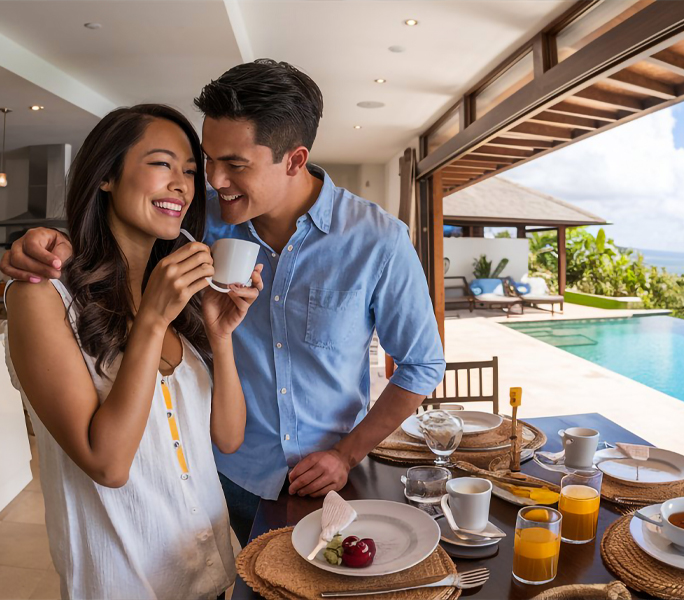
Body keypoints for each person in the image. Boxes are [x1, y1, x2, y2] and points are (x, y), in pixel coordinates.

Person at [2, 59, 446, 546]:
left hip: (332, 477)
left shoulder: (378, 240)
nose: (212, 179)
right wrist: (52, 244)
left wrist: (346, 453)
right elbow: (120, 233)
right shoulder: (196, 218)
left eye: (234, 164)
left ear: (294, 160)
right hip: (225, 474)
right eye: (207, 160)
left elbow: (421, 364)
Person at [3, 104, 263, 599]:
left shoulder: (175, 304)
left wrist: (221, 335)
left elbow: (227, 439)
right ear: (106, 175)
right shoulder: (44, 297)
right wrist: (152, 321)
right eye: (163, 164)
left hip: (208, 576)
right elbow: (108, 464)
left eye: (190, 171)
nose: (183, 185)